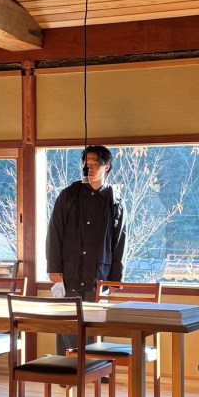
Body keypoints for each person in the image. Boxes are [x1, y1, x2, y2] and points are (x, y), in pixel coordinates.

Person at [47, 145, 126, 351]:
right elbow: (54, 231)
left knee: (94, 324)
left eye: (95, 163)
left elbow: (119, 241)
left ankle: (93, 365)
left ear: (107, 167)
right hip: (69, 270)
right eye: (86, 163)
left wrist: (116, 277)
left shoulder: (115, 200)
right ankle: (65, 365)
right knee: (67, 323)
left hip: (99, 273)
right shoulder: (69, 195)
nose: (89, 167)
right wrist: (54, 266)